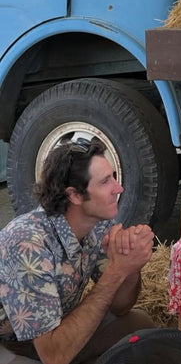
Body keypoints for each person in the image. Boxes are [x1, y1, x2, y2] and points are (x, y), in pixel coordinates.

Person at [0, 137, 156, 364]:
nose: (119, 188)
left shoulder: (97, 223)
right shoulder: (27, 244)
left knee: (140, 327)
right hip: (10, 342)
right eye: (105, 182)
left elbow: (120, 307)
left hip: (53, 332)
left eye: (113, 177)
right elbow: (54, 356)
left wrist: (129, 267)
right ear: (74, 195)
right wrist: (115, 272)